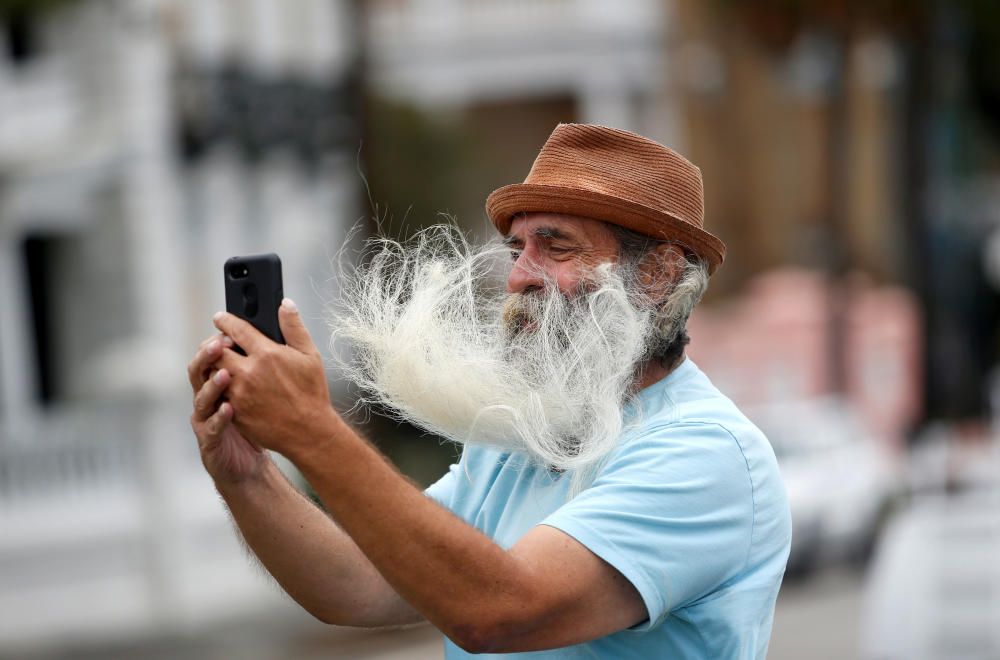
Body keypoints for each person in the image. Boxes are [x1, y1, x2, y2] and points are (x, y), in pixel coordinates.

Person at [188, 123, 791, 658]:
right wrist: (247, 474)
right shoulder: (520, 437)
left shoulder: (704, 453)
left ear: (656, 274)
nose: (520, 276)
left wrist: (312, 430)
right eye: (517, 249)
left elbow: (497, 612)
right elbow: (359, 586)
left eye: (555, 246)